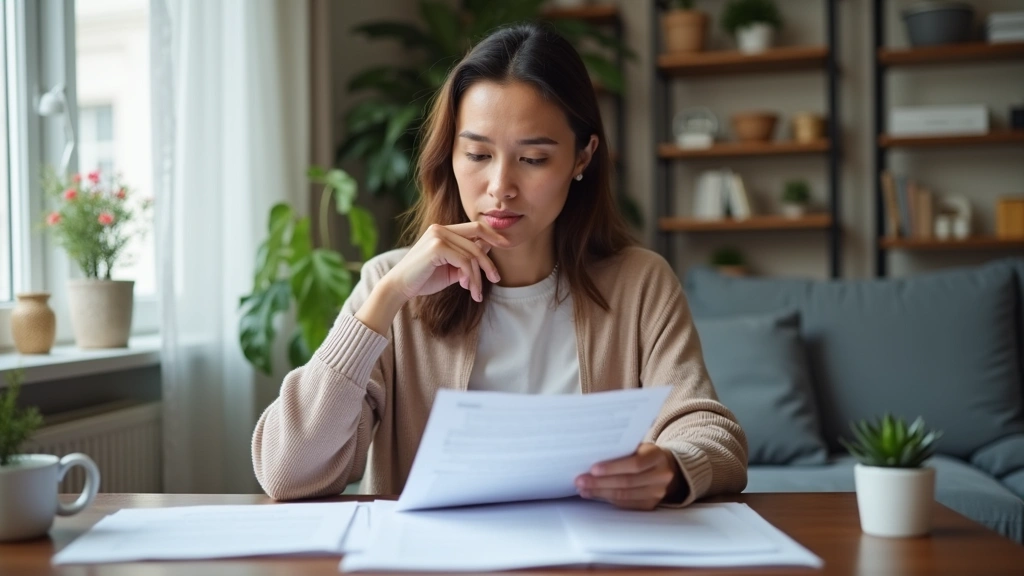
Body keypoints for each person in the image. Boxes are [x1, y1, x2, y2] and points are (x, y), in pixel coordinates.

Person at [253, 23, 747, 510]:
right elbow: (288, 471)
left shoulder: (640, 283)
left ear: (583, 157)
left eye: (532, 159)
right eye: (477, 154)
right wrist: (383, 303)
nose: (499, 186)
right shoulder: (391, 286)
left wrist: (671, 467)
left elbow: (710, 432)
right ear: (450, 154)